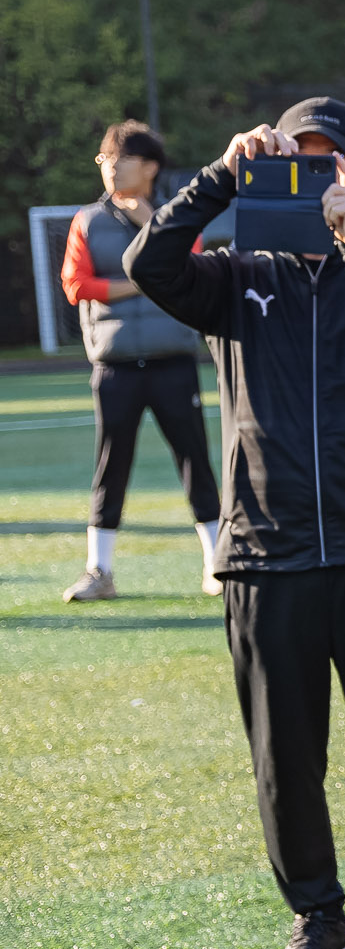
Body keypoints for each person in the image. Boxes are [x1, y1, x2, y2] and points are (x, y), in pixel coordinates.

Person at [126, 97, 345, 949]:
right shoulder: (234, 278)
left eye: (331, 163)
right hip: (264, 557)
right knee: (285, 759)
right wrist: (220, 181)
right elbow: (147, 259)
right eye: (294, 163)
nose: (314, 179)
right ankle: (320, 922)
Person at [58, 120, 221, 601]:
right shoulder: (86, 220)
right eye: (104, 159)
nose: (109, 167)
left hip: (173, 361)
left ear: (149, 166)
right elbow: (75, 284)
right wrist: (136, 283)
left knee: (194, 459)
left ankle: (216, 562)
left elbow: (191, 263)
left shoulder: (174, 215)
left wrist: (149, 221)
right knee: (111, 464)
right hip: (116, 366)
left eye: (119, 158)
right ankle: (99, 572)